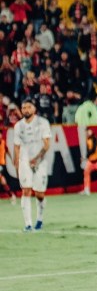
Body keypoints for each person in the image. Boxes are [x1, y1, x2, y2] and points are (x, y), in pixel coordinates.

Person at [12, 97, 52, 232]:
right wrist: (16, 161)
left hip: (40, 162)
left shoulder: (42, 123)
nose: (26, 110)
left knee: (39, 194)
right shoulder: (18, 126)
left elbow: (47, 145)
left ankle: (39, 219)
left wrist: (36, 158)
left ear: (34, 108)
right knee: (26, 190)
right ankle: (28, 224)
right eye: (23, 107)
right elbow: (16, 145)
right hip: (24, 162)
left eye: (29, 107)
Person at [0, 127, 16, 203]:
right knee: (3, 181)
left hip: (1, 165)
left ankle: (11, 195)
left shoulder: (3, 142)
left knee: (2, 179)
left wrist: (11, 159)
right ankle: (11, 195)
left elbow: (7, 151)